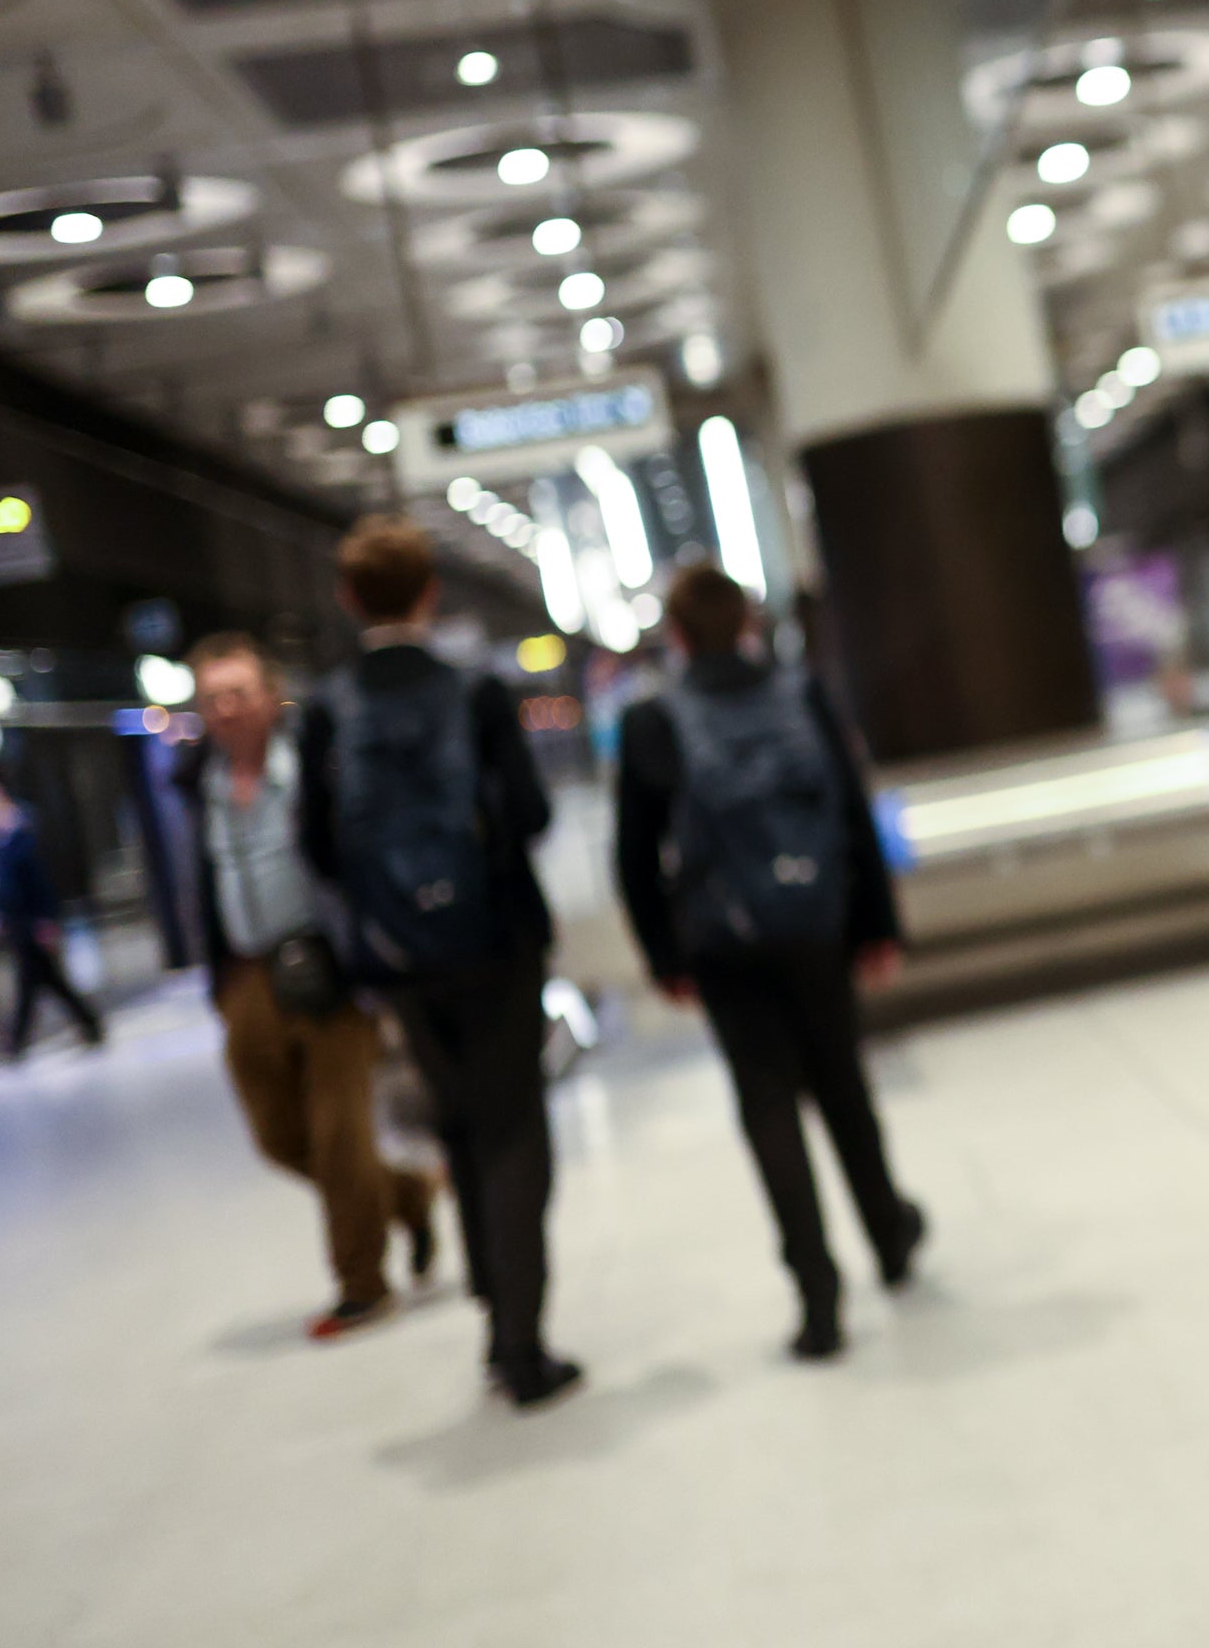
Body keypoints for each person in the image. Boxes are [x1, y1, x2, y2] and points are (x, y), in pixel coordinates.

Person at [296, 517, 580, 1409]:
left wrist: (392, 905)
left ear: (349, 600)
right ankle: (522, 1343)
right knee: (513, 1128)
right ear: (429, 593)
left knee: (455, 1121)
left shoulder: (328, 712)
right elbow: (530, 814)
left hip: (402, 960)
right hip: (498, 942)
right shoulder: (477, 694)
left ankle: (497, 1308)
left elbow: (315, 843)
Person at [613, 563, 923, 1361]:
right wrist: (876, 924)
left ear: (676, 636)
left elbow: (634, 857)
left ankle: (817, 1294)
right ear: (748, 625)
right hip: (814, 923)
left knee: (766, 1104)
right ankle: (888, 1235)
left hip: (722, 940)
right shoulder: (803, 695)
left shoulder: (653, 721)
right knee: (841, 1083)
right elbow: (854, 812)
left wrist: (663, 957)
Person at [180, 634, 438, 1339]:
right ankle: (408, 1194)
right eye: (212, 699)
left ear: (270, 696)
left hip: (328, 968)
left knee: (338, 1136)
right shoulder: (195, 783)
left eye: (238, 693)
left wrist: (372, 955)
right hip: (248, 978)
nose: (227, 710)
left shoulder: (317, 766)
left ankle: (362, 1284)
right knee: (279, 1137)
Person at [0, 776, 104, 1055]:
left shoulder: (22, 834)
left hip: (32, 922)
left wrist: (46, 920)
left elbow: (41, 883)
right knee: (42, 981)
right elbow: (6, 888)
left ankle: (17, 1043)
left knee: (34, 982)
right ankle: (85, 1025)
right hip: (20, 923)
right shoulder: (0, 842)